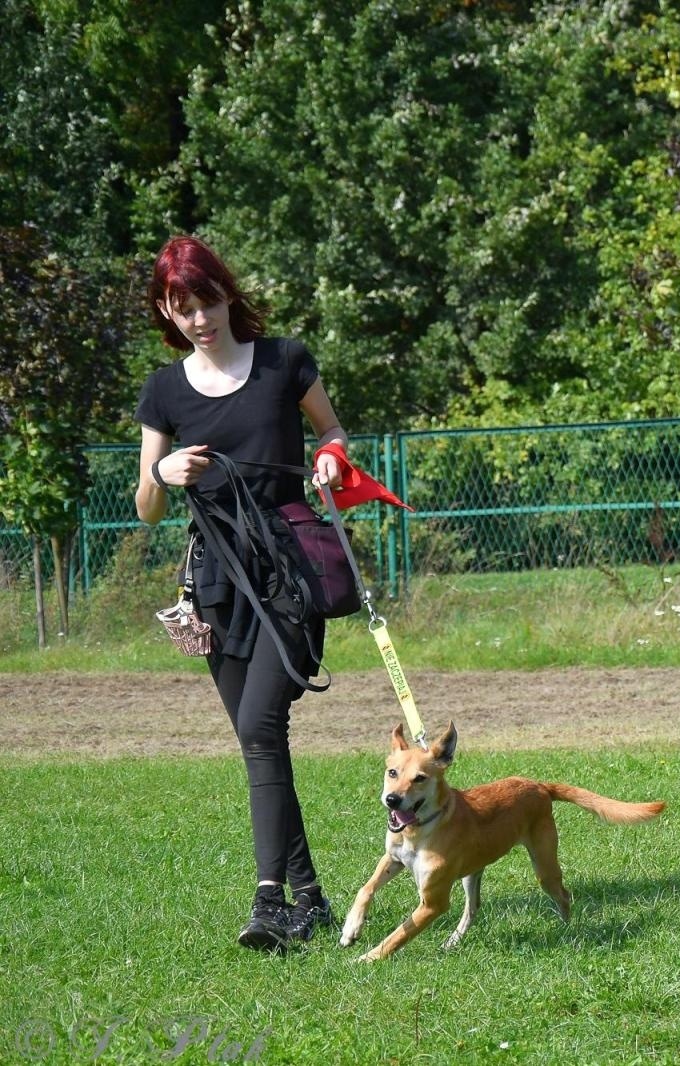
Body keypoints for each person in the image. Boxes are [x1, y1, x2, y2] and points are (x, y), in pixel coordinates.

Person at [134, 235, 345, 949]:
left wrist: (328, 458)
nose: (200, 319)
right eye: (183, 308)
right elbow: (146, 504)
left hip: (289, 567)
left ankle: (269, 903)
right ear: (167, 312)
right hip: (217, 578)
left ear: (228, 295)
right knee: (259, 745)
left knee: (260, 727)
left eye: (208, 301)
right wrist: (164, 477)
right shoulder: (164, 391)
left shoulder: (285, 360)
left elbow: (333, 432)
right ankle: (311, 896)